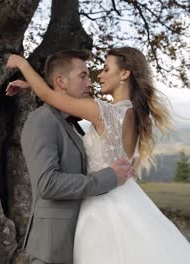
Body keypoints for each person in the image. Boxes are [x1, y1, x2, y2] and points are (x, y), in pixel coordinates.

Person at [6, 47, 190, 263]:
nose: (97, 77)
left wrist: (22, 64)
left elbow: (49, 95)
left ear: (124, 73)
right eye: (85, 75)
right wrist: (32, 87)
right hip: (127, 201)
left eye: (105, 69)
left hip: (103, 207)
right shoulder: (131, 113)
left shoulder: (104, 112)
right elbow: (54, 99)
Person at [14, 50, 136, 264]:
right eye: (83, 76)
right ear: (60, 81)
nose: (91, 83)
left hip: (85, 237)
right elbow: (48, 184)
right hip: (53, 247)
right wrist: (109, 177)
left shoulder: (77, 123)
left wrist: (35, 86)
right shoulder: (42, 120)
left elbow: (51, 95)